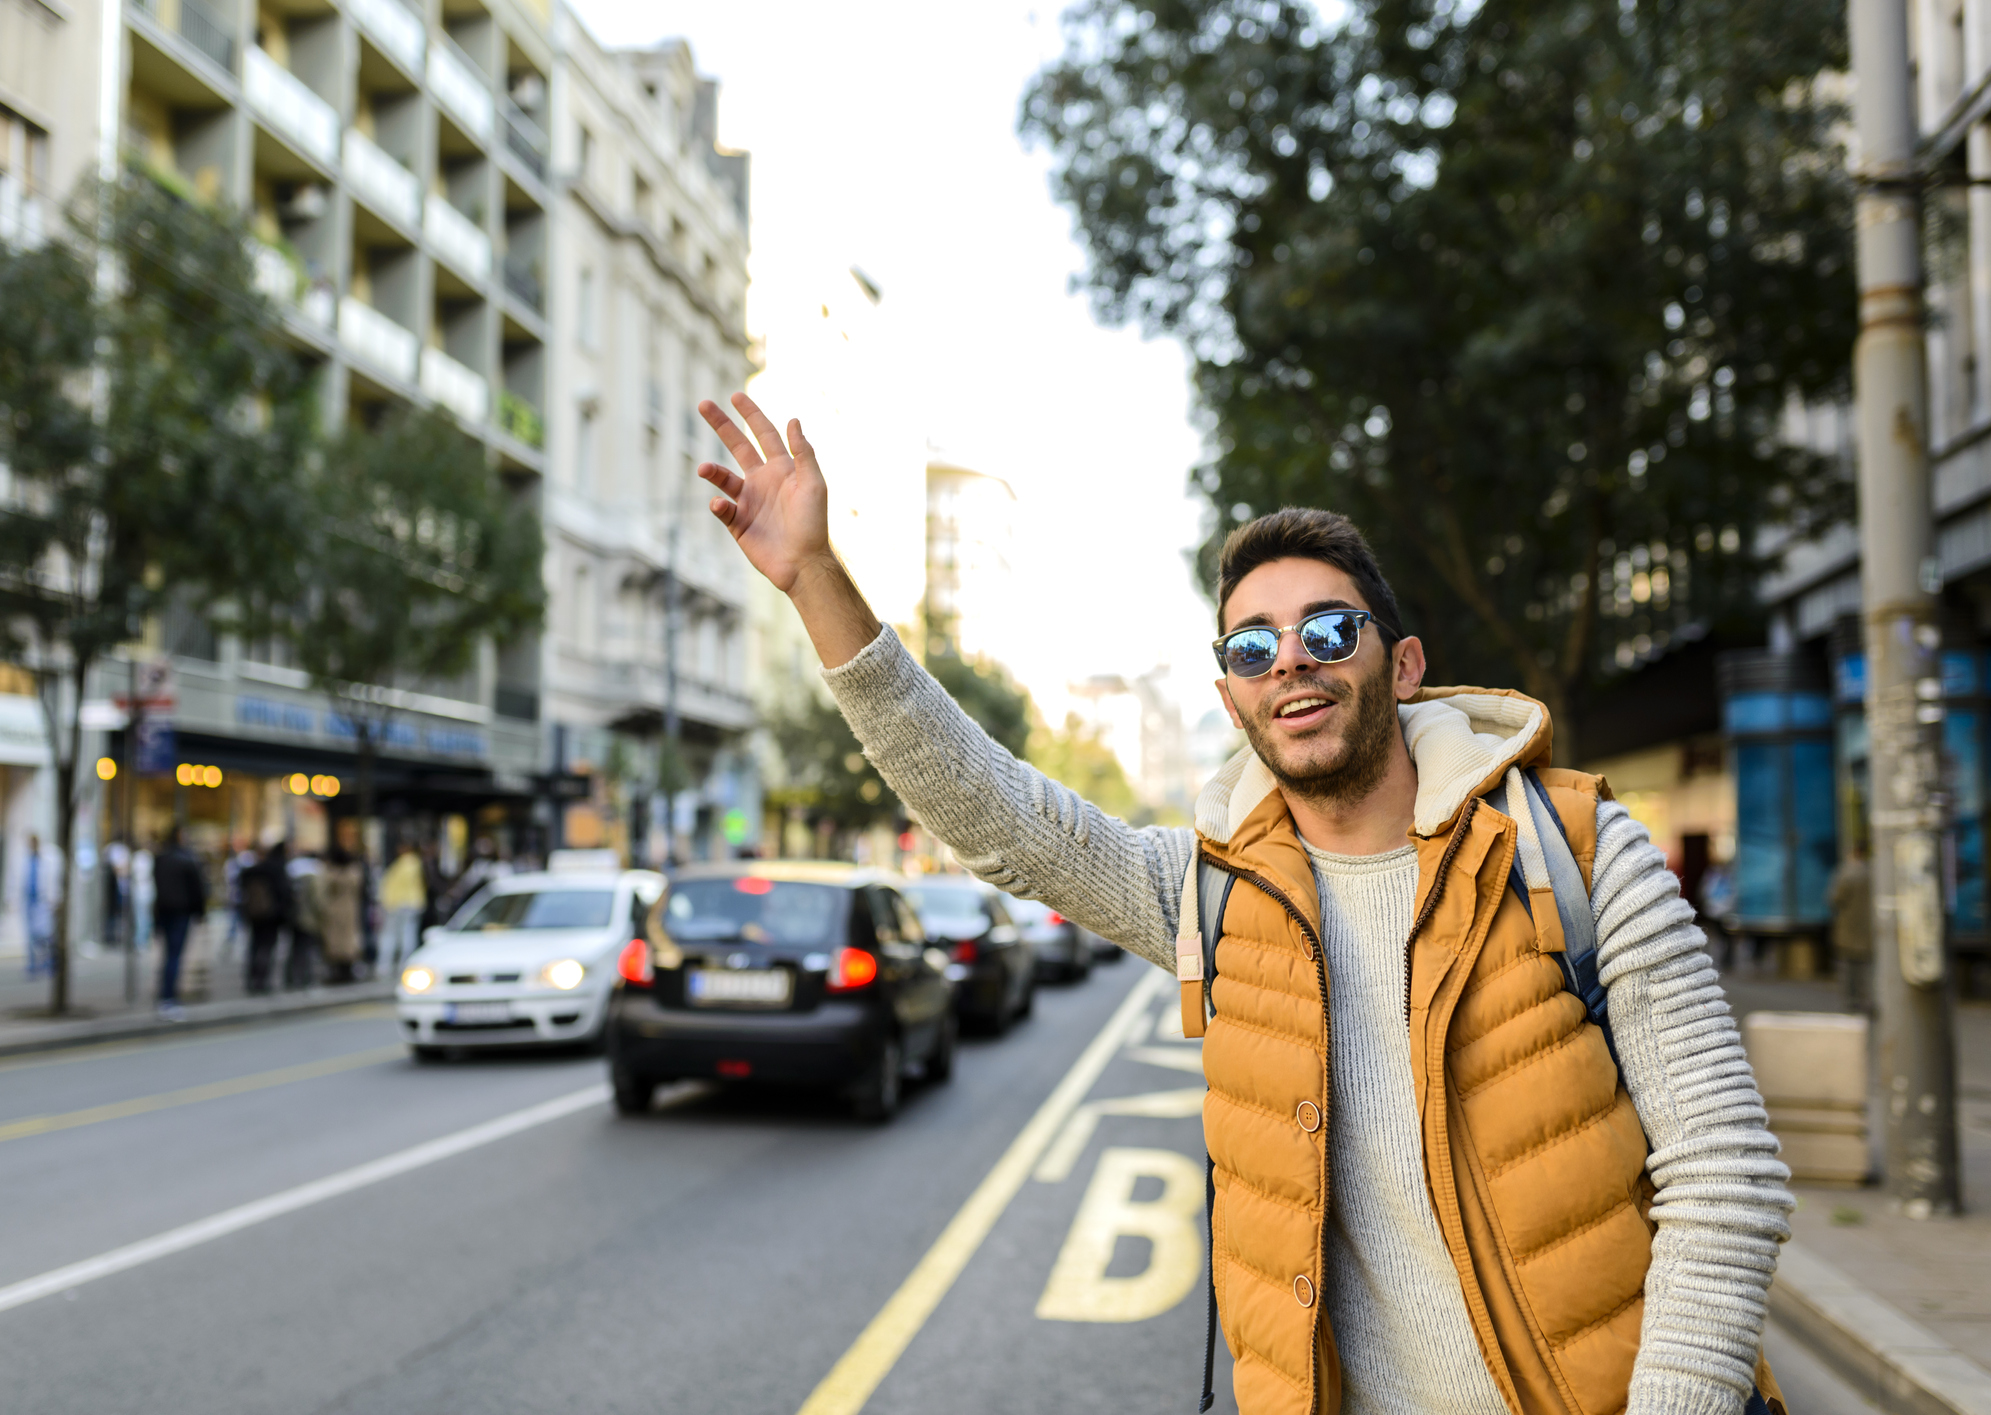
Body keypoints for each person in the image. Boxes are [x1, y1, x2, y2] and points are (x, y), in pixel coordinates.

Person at [692, 392, 1791, 1415]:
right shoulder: (1208, 893)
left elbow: (1724, 1174)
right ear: (1232, 696)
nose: (1292, 664)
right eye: (1254, 646)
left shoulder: (1579, 851)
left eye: (1329, 629)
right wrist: (815, 581)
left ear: (1401, 664)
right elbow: (998, 817)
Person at [151, 827, 208, 1019]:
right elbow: (198, 890)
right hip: (180, 912)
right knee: (174, 956)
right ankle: (168, 997)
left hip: (164, 911)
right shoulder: (187, 859)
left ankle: (165, 994)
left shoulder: (161, 858)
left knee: (168, 955)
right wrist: (200, 913)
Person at [239, 840, 292, 995]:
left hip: (255, 913)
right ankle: (261, 980)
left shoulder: (258, 867)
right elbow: (284, 893)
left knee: (255, 945)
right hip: (271, 915)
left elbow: (243, 878)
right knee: (266, 947)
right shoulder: (278, 868)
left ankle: (252, 978)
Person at [1827, 844, 1873, 1014]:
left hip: (1848, 927)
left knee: (1848, 969)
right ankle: (1866, 999)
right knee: (1865, 968)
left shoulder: (1846, 874)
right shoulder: (1873, 873)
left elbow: (1834, 899)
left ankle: (1850, 1002)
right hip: (1867, 929)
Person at [13, 833, 63, 980]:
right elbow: (15, 880)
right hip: (28, 901)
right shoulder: (23, 858)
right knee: (30, 935)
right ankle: (32, 964)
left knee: (46, 934)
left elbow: (54, 880)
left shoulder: (49, 857)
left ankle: (49, 962)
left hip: (43, 901)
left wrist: (55, 899)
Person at [375, 839, 426, 977]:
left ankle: (386, 965)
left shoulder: (404, 863)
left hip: (398, 904)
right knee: (406, 934)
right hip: (409, 903)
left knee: (394, 935)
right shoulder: (412, 863)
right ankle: (403, 964)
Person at [316, 844, 365, 985]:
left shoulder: (331, 873)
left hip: (334, 910)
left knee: (335, 942)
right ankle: (346, 970)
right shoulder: (354, 873)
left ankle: (339, 972)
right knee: (347, 941)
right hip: (350, 910)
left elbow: (322, 890)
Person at [284, 847, 323, 989]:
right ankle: (303, 978)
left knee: (294, 948)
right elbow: (318, 900)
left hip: (292, 917)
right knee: (306, 949)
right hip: (308, 918)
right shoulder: (313, 875)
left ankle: (290, 977)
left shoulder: (293, 873)